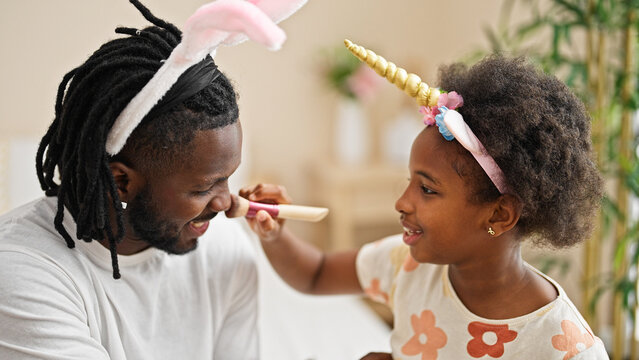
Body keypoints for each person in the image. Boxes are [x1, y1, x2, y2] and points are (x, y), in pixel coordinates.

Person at [239, 41, 609, 359]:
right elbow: (316, 274)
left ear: (498, 215)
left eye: (427, 189)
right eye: (409, 182)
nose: (401, 202)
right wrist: (274, 234)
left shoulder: (564, 347)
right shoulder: (408, 267)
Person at [0, 0, 305, 358]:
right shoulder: (23, 273)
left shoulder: (225, 248)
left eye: (227, 179)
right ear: (121, 182)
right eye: (204, 187)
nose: (225, 203)